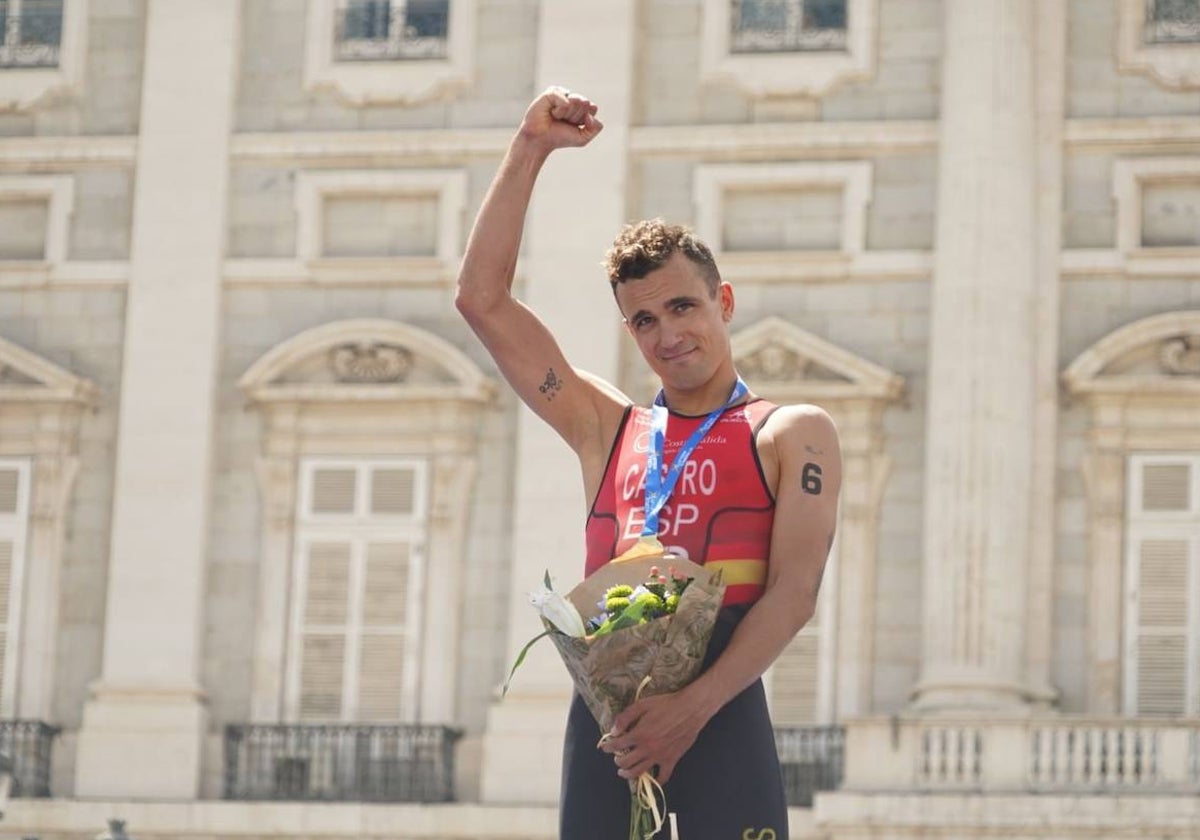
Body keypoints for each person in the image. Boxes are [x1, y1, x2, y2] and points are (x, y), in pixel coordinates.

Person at [455, 87, 841, 840]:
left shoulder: (793, 432)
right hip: (610, 726)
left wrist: (689, 713)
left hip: (720, 715)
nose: (667, 334)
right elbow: (481, 300)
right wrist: (529, 148)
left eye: (682, 307)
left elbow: (794, 595)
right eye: (643, 320)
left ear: (722, 301)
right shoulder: (607, 429)